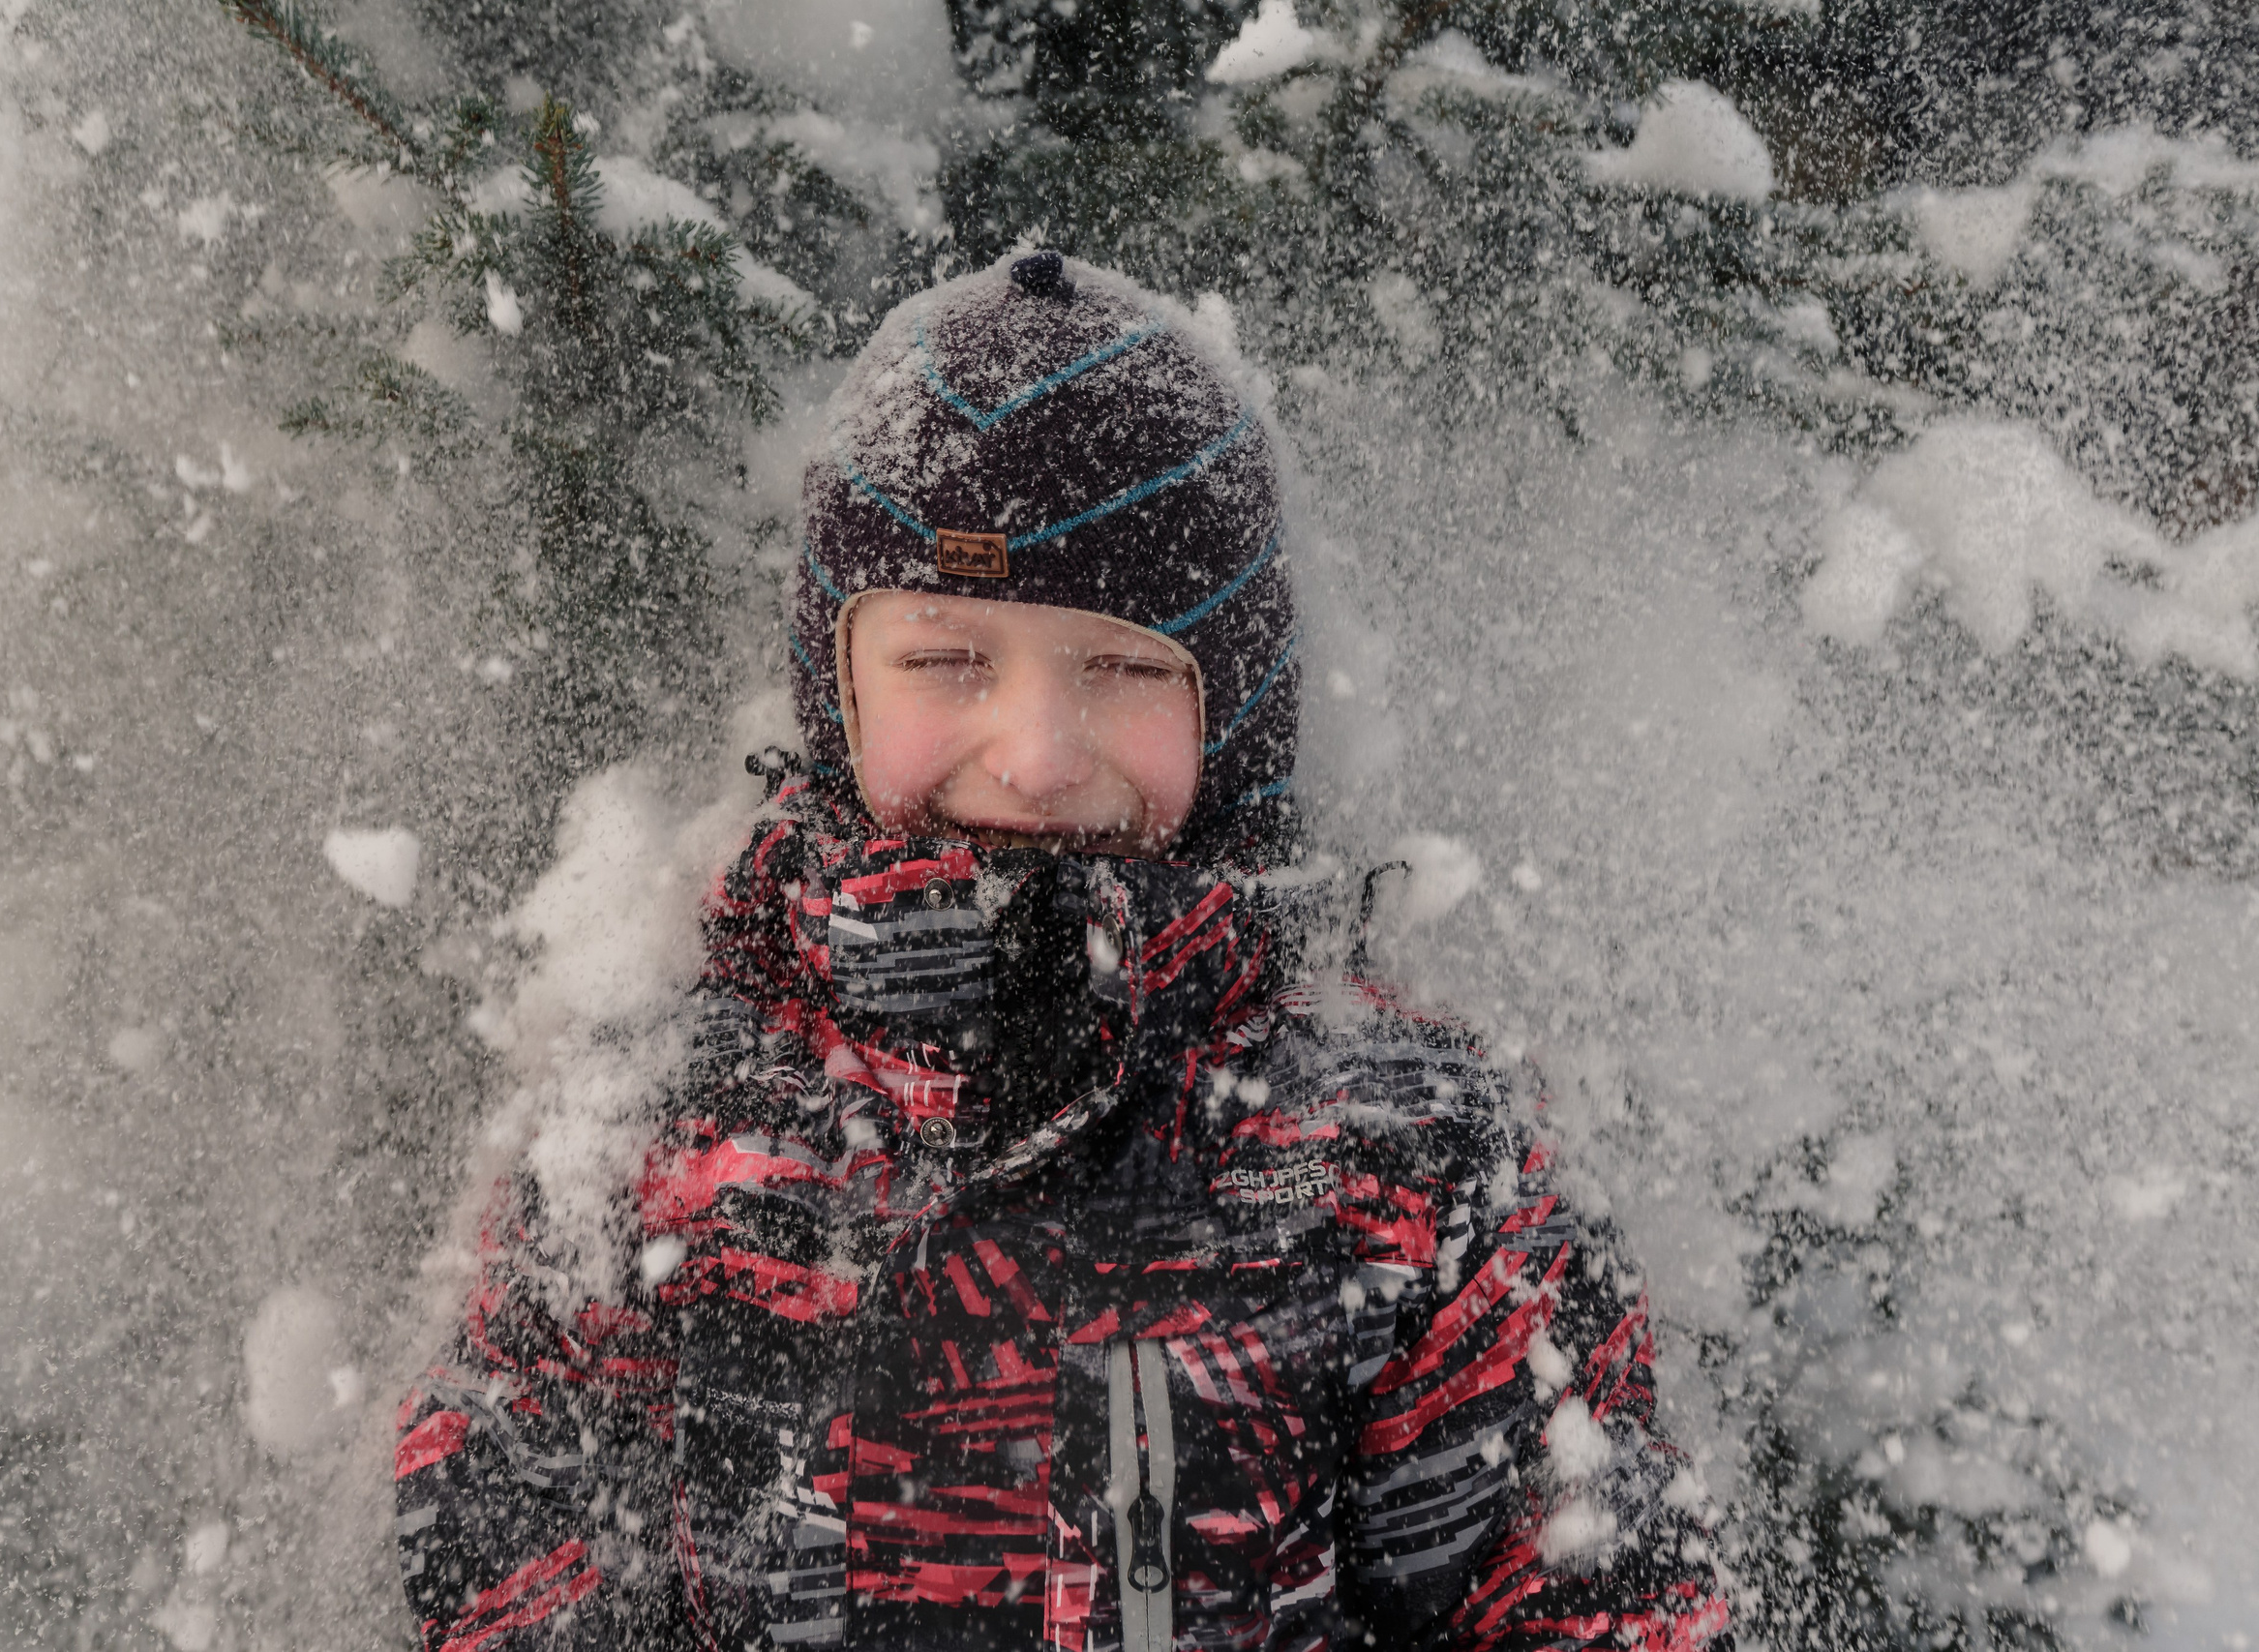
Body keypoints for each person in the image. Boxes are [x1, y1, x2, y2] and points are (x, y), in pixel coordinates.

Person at [394, 251, 1731, 1652]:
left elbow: (1594, 1592)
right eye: (945, 659)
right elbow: (502, 1540)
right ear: (833, 687)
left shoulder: (1400, 1152)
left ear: (1243, 711)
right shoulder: (671, 1124)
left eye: (1127, 666)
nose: (1034, 757)